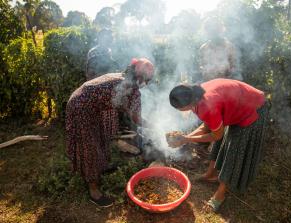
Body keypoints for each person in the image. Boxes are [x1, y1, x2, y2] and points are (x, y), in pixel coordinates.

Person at [168, 79, 269, 212]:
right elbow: (207, 124)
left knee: (234, 151)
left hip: (253, 108)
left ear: (186, 104)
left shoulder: (208, 104)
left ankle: (219, 196)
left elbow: (216, 135)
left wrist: (186, 139)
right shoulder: (196, 94)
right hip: (239, 106)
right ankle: (210, 174)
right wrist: (185, 138)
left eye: (179, 108)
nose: (179, 111)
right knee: (220, 145)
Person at [66, 58, 154, 207]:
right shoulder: (132, 89)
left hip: (84, 102)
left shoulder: (121, 77)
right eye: (148, 80)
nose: (147, 83)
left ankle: (101, 167)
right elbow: (137, 118)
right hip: (81, 108)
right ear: (141, 78)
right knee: (90, 147)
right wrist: (154, 125)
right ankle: (94, 192)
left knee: (101, 137)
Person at [198, 16, 240, 81]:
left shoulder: (229, 47)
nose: (213, 33)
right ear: (207, 32)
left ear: (221, 30)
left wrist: (229, 72)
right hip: (208, 85)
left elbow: (235, 67)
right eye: (211, 30)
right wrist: (204, 71)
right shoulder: (203, 48)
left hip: (226, 84)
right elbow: (201, 66)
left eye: (216, 30)